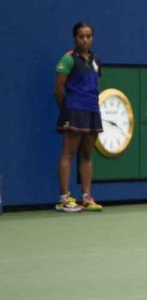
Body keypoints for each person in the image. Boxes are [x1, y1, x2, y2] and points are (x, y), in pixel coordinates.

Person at [54, 22, 104, 213]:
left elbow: (93, 84)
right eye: (81, 36)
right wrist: (65, 109)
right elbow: (58, 89)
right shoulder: (68, 59)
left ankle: (86, 197)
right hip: (74, 109)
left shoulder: (96, 60)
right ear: (75, 38)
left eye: (89, 36)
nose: (85, 40)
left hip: (92, 110)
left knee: (86, 155)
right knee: (68, 153)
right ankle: (64, 199)